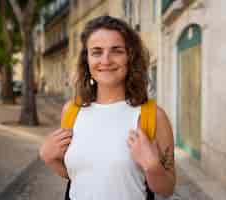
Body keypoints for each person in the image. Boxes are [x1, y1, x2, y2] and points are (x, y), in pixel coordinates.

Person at [39, 15, 175, 200]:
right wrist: (50, 159)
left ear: (130, 57)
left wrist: (153, 166)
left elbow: (167, 189)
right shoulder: (71, 111)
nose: (106, 60)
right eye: (97, 52)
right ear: (86, 60)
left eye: (116, 51)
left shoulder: (153, 116)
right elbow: (80, 177)